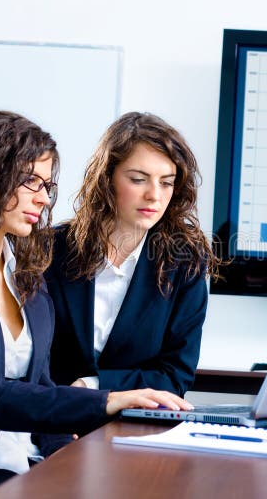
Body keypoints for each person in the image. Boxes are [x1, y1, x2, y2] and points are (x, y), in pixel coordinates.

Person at [0, 110, 191, 498]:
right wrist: (103, 399)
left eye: (47, 185)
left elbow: (38, 380)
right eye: (30, 181)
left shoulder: (24, 265)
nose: (43, 197)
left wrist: (67, 454)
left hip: (26, 458)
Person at [44, 112, 219, 394]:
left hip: (131, 426)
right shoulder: (50, 249)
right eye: (139, 179)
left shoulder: (183, 264)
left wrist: (93, 385)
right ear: (107, 178)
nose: (154, 195)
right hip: (48, 420)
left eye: (166, 182)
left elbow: (175, 377)